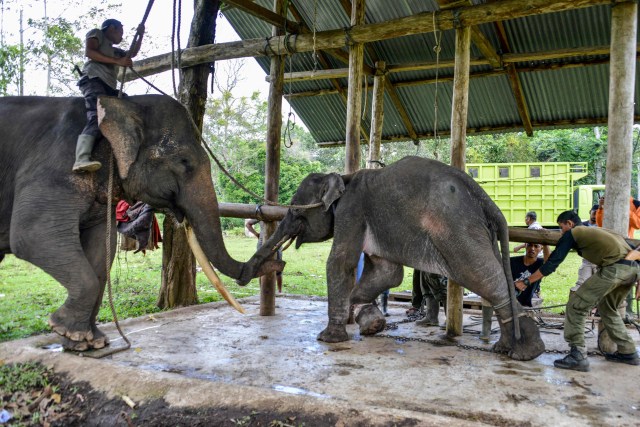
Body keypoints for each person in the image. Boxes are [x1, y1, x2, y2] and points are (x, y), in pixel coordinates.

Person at [517, 210, 640, 371]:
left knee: (576, 306)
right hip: (631, 270)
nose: (562, 232)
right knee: (607, 309)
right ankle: (628, 351)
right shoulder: (597, 230)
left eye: (562, 228)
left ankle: (578, 355)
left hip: (614, 269)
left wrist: (526, 281)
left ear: (569, 223)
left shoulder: (574, 232)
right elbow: (634, 248)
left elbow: (552, 263)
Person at [73, 19, 145, 173]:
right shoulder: (96, 33)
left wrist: (140, 35)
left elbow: (131, 53)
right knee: (98, 116)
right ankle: (81, 158)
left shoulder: (114, 50)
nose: (122, 36)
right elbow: (90, 52)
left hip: (109, 86)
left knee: (126, 106)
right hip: (93, 79)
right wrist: (116, 61)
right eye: (120, 31)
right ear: (112, 28)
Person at [595, 196, 640, 318]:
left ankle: (627, 312)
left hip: (627, 247)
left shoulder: (635, 204)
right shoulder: (607, 201)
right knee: (606, 275)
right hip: (608, 247)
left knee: (626, 277)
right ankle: (603, 307)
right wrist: (601, 208)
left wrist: (624, 208)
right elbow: (600, 223)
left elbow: (637, 223)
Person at [245, 218, 283, 293]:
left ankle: (277, 291)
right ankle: (278, 291)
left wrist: (257, 234)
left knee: (275, 270)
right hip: (270, 244)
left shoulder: (262, 214)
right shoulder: (276, 214)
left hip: (272, 244)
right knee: (270, 269)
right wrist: (256, 234)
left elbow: (248, 224)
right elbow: (248, 224)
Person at [512, 243, 550, 307]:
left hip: (528, 300)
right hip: (510, 298)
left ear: (541, 249)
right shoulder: (512, 261)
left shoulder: (541, 264)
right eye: (530, 245)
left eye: (536, 246)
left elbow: (549, 263)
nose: (532, 249)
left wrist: (545, 244)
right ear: (525, 246)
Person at [572, 204, 600, 293]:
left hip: (599, 261)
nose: (595, 216)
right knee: (581, 284)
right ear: (590, 212)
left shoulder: (602, 226)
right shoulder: (582, 226)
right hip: (587, 260)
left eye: (598, 214)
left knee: (598, 286)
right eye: (594, 213)